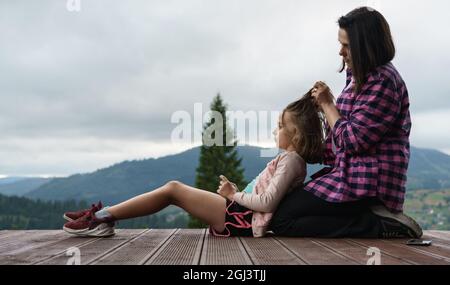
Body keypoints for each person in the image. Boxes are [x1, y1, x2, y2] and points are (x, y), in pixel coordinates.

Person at [63, 92, 325, 237]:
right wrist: (236, 192)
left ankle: (101, 218)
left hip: (240, 217)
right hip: (238, 211)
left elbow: (267, 202)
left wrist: (234, 194)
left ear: (297, 135)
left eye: (281, 126)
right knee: (172, 189)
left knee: (173, 189)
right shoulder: (289, 160)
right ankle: (103, 216)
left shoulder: (292, 160)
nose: (275, 130)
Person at [270, 7, 422, 239]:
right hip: (348, 176)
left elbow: (352, 141)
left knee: (282, 219)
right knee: (283, 210)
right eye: (340, 44)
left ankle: (378, 224)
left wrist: (328, 105)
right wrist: (306, 149)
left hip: (368, 184)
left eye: (347, 45)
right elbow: (338, 143)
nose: (340, 51)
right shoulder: (357, 78)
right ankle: (367, 219)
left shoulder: (382, 82)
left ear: (366, 46)